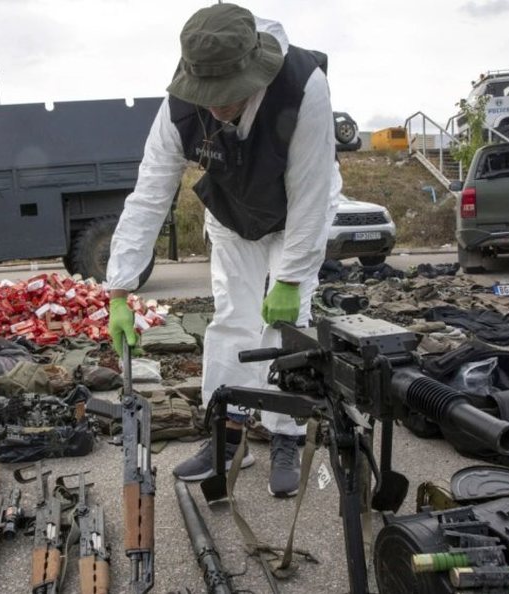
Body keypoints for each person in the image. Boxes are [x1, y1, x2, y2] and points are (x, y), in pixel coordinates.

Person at [105, 2, 340, 497]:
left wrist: (292, 277)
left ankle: (286, 435)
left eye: (226, 95)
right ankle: (227, 437)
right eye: (206, 95)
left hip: (295, 213)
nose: (215, 106)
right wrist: (120, 291)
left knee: (287, 324)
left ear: (254, 74)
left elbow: (311, 192)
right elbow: (150, 193)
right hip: (233, 215)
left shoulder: (304, 86)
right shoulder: (176, 108)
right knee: (231, 318)